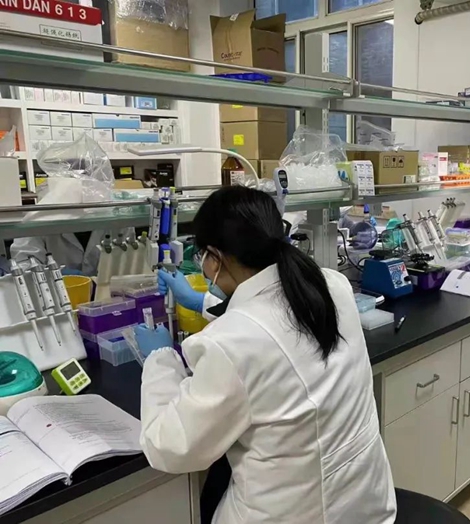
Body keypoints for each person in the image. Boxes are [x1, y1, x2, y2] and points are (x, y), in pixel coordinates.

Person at [134, 186, 396, 524]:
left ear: (215, 256)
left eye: (202, 257)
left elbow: (171, 447)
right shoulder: (332, 285)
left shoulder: (227, 345)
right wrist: (202, 303)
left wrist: (159, 360)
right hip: (366, 505)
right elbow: (274, 321)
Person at [11, 230, 131, 276]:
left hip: (108, 298)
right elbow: (23, 265)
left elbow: (128, 263)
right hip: (56, 298)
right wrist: (53, 275)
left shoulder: (117, 216)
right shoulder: (38, 217)